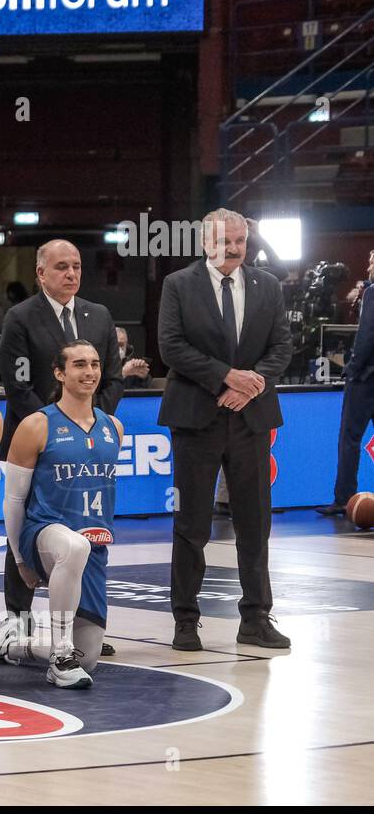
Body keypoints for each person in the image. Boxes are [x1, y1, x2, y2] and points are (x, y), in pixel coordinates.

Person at [158, 208, 293, 652]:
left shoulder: (268, 286)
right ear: (204, 243)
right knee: (192, 524)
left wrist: (252, 384)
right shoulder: (179, 285)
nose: (234, 248)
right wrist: (225, 376)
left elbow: (281, 347)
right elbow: (171, 346)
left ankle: (256, 618)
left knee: (255, 524)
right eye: (225, 241)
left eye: (240, 240)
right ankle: (185, 621)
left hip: (250, 419)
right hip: (197, 417)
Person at [0, 240, 122, 645]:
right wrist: (54, 426)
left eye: (77, 266)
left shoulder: (99, 315)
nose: (71, 274)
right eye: (62, 267)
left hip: (89, 436)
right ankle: (17, 622)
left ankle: (83, 622)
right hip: (35, 440)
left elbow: (113, 378)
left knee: (85, 532)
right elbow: (17, 385)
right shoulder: (20, 317)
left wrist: (89, 422)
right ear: (41, 273)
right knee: (28, 521)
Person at [2, 340, 122, 688]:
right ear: (59, 372)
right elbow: (13, 500)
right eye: (80, 365)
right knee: (74, 546)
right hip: (44, 535)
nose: (89, 372)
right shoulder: (36, 425)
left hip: (93, 548)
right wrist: (20, 559)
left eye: (95, 364)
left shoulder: (113, 427)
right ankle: (58, 657)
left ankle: (10, 646)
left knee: (90, 658)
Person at [318, 250, 374, 517]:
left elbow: (366, 336)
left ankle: (344, 498)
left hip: (365, 379)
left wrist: (351, 369)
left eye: (373, 262)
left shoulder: (372, 293)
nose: (369, 265)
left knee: (349, 438)